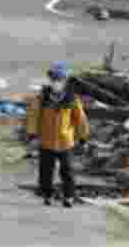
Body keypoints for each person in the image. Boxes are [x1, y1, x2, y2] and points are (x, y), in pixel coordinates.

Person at [26, 62, 90, 208]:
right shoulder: (42, 98)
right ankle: (47, 195)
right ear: (50, 80)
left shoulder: (72, 99)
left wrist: (83, 137)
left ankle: (68, 197)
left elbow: (80, 119)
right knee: (45, 172)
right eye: (54, 79)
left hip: (65, 142)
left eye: (59, 79)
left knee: (67, 171)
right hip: (46, 142)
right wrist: (32, 135)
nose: (56, 82)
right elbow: (33, 117)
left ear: (65, 80)